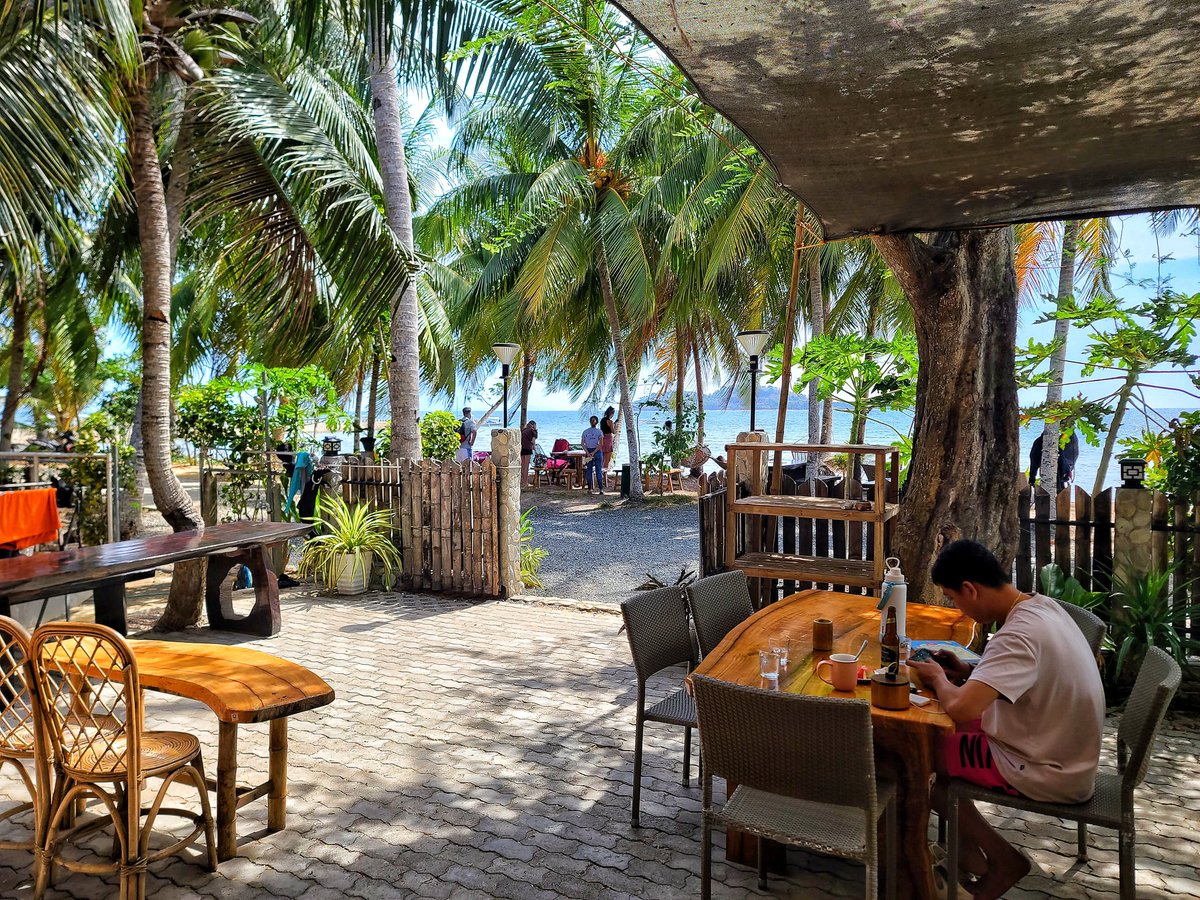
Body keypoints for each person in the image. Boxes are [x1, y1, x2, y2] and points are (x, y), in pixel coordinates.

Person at [909, 539, 1104, 900]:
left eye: (954, 598)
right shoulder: (1041, 607)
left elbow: (963, 709)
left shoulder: (1016, 635)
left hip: (1046, 767)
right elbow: (1023, 673)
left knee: (919, 764)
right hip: (1061, 747)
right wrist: (969, 669)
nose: (959, 608)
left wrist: (937, 677)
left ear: (970, 589)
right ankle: (968, 856)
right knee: (937, 744)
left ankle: (1001, 860)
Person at [581, 415, 604, 495]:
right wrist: (591, 453)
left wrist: (588, 452)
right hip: (596, 451)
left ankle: (591, 489)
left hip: (591, 451)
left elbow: (583, 444)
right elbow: (600, 444)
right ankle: (600, 489)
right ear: (596, 422)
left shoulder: (586, 432)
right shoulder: (599, 432)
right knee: (597, 471)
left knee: (590, 471)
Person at [600, 406, 616, 480]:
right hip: (608, 439)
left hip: (602, 439)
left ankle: (602, 476)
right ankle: (604, 477)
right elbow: (613, 431)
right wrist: (614, 425)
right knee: (607, 460)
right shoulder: (610, 421)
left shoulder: (602, 420)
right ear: (611, 413)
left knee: (602, 460)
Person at [521, 420, 538, 487]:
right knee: (526, 466)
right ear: (534, 425)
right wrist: (534, 447)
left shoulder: (524, 430)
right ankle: (525, 482)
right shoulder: (533, 431)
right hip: (528, 448)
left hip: (522, 448)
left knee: (522, 466)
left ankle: (522, 481)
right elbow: (533, 441)